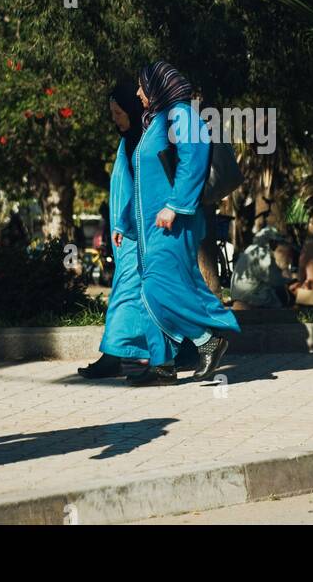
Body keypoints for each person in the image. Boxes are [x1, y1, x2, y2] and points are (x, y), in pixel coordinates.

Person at [119, 62, 240, 385]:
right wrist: (125, 224)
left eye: (142, 86)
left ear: (158, 86)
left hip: (173, 223)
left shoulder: (181, 114)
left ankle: (206, 339)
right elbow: (142, 180)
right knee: (148, 288)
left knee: (158, 286)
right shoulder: (155, 122)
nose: (137, 93)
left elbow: (195, 155)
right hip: (149, 228)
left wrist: (175, 205)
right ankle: (161, 365)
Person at [79, 81, 153, 379]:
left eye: (118, 111)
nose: (115, 118)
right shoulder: (130, 140)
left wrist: (123, 223)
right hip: (130, 235)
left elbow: (139, 190)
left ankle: (113, 354)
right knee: (141, 294)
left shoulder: (140, 142)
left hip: (136, 235)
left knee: (125, 294)